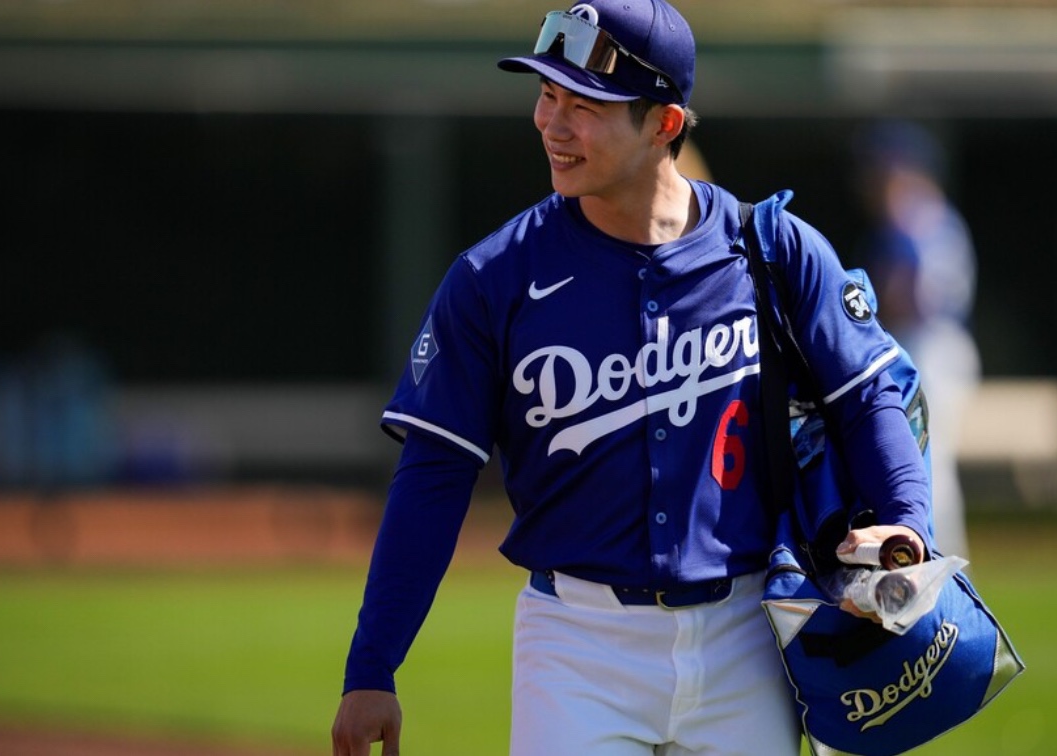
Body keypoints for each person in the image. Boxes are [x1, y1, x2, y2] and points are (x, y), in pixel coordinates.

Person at [332, 2, 932, 754]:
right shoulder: (494, 278)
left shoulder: (773, 250)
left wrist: (909, 524)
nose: (552, 124)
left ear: (664, 124)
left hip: (748, 638)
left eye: (584, 106)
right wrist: (372, 666)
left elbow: (869, 396)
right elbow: (434, 474)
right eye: (546, 94)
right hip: (575, 644)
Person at [854, 121, 980, 560]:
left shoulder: (912, 217)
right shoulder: (937, 217)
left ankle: (943, 561)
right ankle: (940, 558)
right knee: (926, 459)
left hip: (931, 343)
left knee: (927, 460)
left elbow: (914, 298)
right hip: (940, 342)